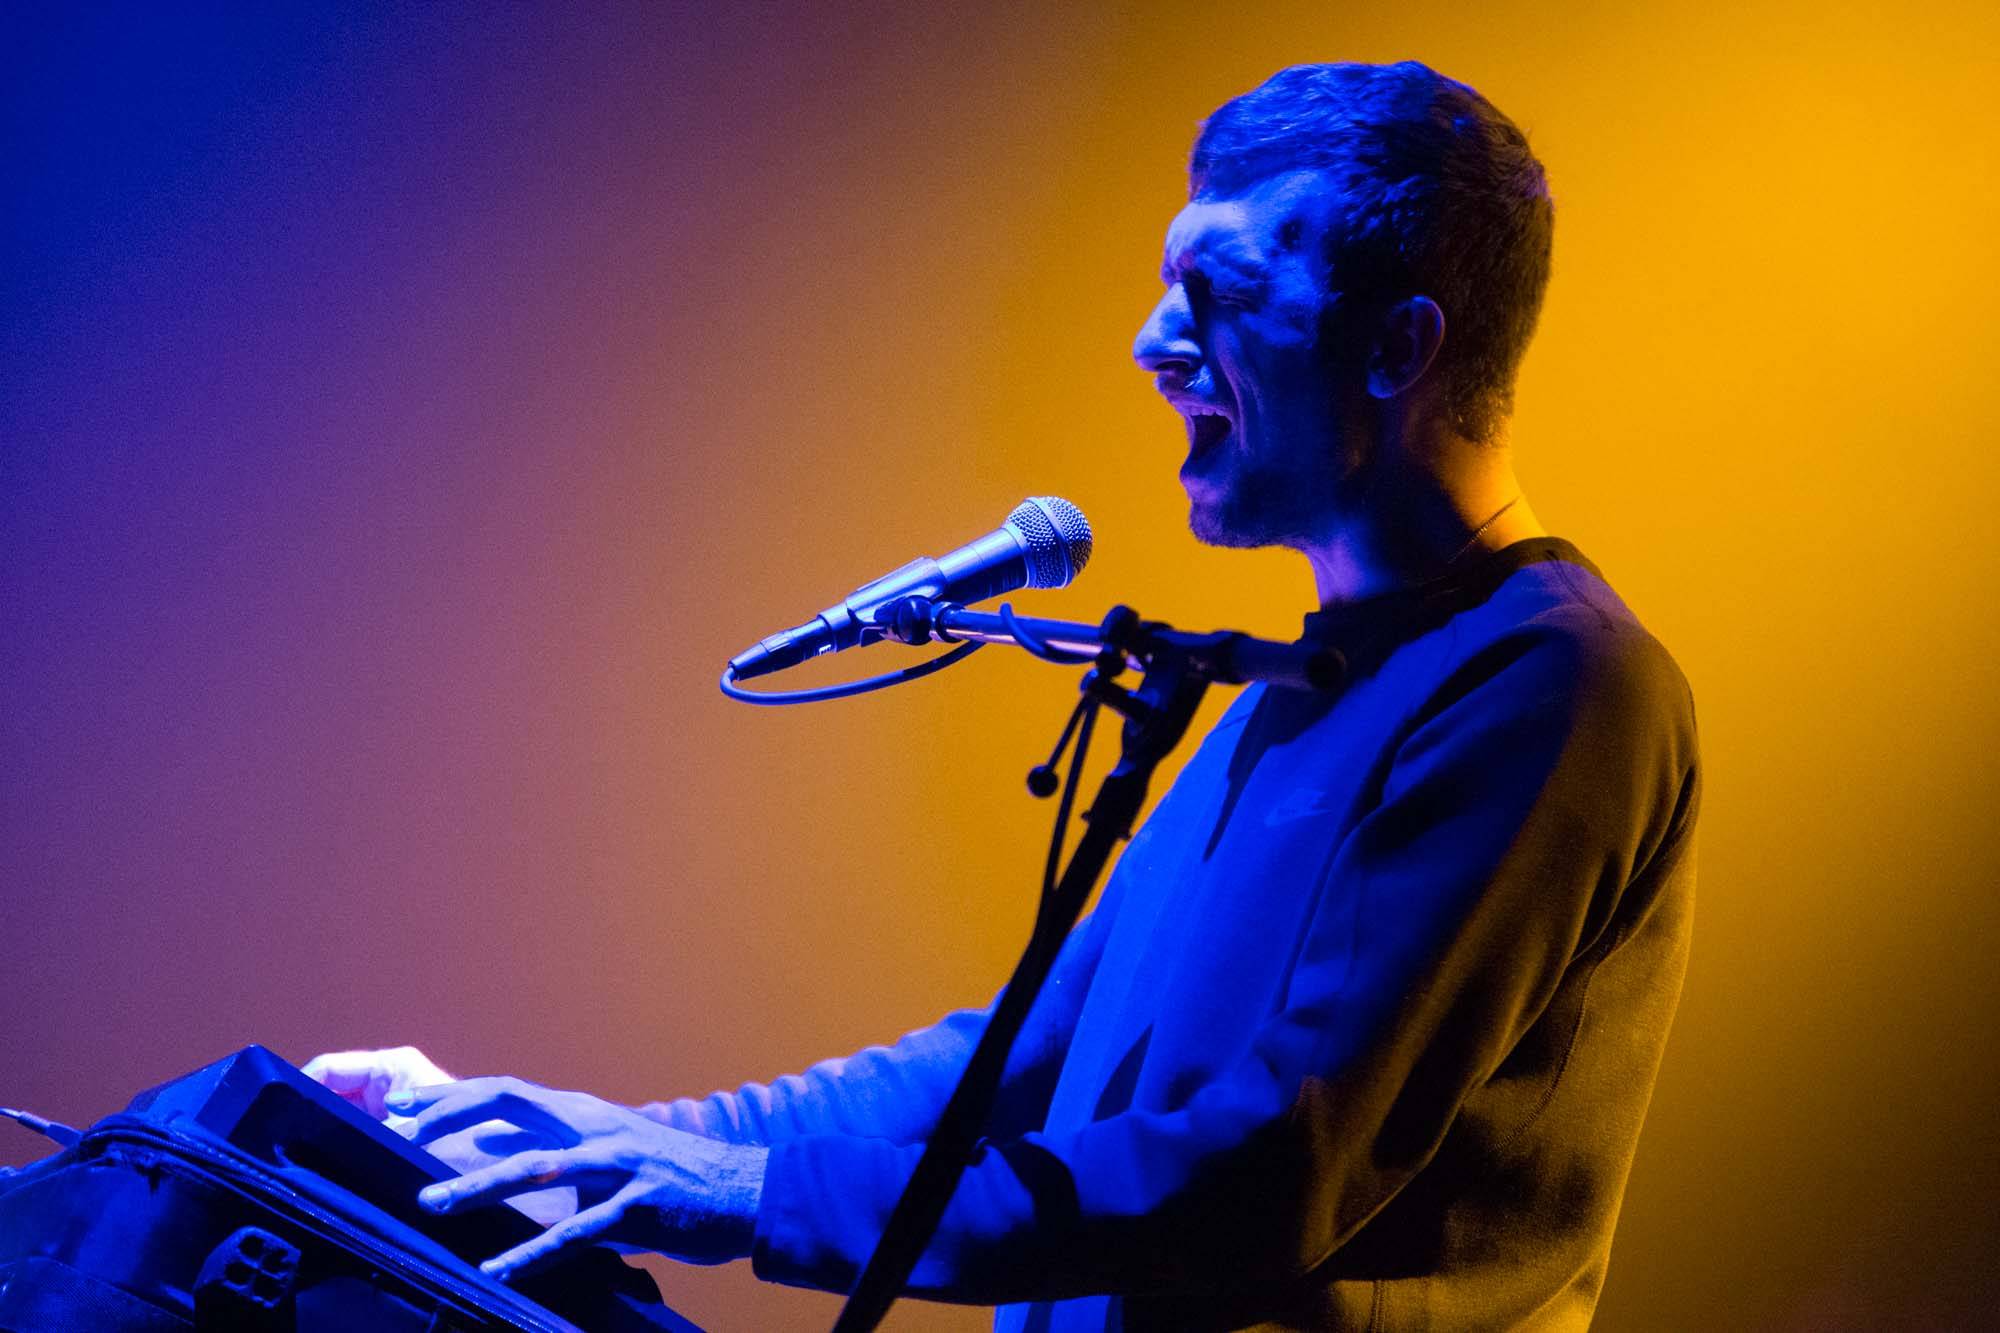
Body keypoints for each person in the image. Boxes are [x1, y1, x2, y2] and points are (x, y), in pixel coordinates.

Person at [309, 61, 1700, 1330]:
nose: (1151, 343)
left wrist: (742, 1196)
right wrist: (593, 1143)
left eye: (1213, 290)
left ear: (1397, 347)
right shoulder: (1281, 696)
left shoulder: (1555, 685)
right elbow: (1014, 1063)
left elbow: (1281, 1167)